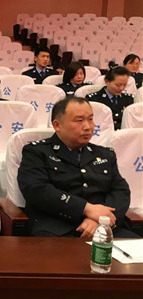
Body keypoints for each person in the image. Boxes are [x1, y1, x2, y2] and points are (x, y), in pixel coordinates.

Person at [17, 96, 137, 239]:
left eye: (90, 119)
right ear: (57, 125)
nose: (88, 127)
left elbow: (120, 191)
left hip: (104, 229)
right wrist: (86, 209)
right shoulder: (37, 152)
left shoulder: (105, 154)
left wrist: (100, 220)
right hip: (57, 229)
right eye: (79, 120)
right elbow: (36, 190)